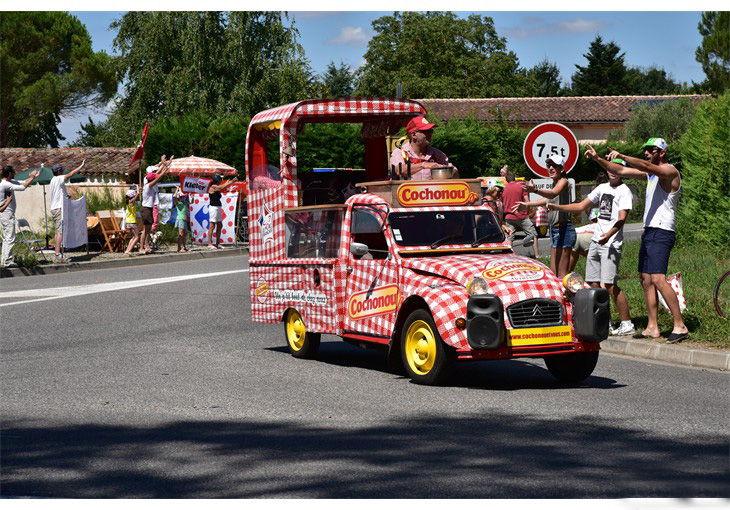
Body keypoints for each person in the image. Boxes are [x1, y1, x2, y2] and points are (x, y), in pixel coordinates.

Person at [587, 138, 689, 343]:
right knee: (645, 279)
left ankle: (680, 325)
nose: (646, 153)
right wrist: (598, 159)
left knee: (659, 278)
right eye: (644, 150)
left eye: (650, 150)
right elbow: (622, 171)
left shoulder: (670, 171)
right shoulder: (650, 174)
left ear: (661, 152)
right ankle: (653, 327)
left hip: (663, 231)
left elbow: (644, 166)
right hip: (650, 230)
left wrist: (623, 155)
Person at [547, 160, 636, 336]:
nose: (612, 171)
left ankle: (627, 323)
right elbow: (580, 206)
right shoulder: (602, 188)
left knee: (610, 284)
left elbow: (622, 217)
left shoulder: (624, 191)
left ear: (622, 171)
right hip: (596, 240)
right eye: (610, 167)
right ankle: (605, 321)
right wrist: (557, 207)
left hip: (610, 243)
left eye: (617, 168)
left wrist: (608, 235)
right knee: (594, 284)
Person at [513, 155, 573, 278]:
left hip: (564, 229)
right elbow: (547, 199)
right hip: (555, 229)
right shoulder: (554, 183)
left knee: (562, 275)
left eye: (554, 166)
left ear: (561, 169)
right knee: (553, 273)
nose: (550, 168)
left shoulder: (563, 181)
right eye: (548, 165)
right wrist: (527, 204)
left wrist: (535, 190)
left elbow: (552, 194)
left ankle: (566, 296)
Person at [389, 116, 458, 180]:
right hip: (405, 192)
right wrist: (424, 165)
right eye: (426, 131)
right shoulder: (400, 152)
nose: (430, 134)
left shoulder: (438, 154)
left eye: (431, 131)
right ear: (413, 135)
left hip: (432, 192)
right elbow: (399, 170)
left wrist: (450, 171)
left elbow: (455, 174)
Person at [569, 170, 609, 273]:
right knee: (598, 268)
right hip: (594, 231)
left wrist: (588, 211)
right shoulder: (609, 189)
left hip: (578, 233)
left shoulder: (593, 188)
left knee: (569, 270)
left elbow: (587, 205)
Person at [0, 165, 40, 268]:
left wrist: (33, 177)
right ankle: (7, 262)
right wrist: (31, 177)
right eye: (13, 172)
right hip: (7, 214)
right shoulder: (5, 185)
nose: (14, 173)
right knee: (10, 238)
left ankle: (4, 260)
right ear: (9, 174)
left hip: (6, 214)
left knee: (6, 238)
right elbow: (22, 188)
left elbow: (23, 182)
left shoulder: (9, 182)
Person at [49, 160, 85, 262]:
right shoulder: (59, 178)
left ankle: (57, 252)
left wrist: (66, 196)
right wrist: (80, 166)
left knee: (57, 231)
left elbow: (59, 194)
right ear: (59, 171)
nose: (63, 172)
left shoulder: (52, 180)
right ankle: (57, 253)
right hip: (59, 208)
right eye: (61, 170)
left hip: (55, 207)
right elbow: (70, 174)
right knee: (60, 231)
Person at [501, 170, 540, 258]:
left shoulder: (504, 189)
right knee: (533, 235)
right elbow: (527, 201)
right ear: (515, 178)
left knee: (510, 237)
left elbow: (502, 203)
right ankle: (537, 256)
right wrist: (528, 211)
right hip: (522, 216)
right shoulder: (521, 187)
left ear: (507, 180)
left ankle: (509, 257)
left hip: (509, 217)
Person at [141, 155, 173, 254]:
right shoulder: (148, 185)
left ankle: (146, 246)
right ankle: (141, 247)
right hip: (146, 208)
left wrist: (165, 164)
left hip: (149, 208)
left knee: (148, 229)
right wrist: (165, 167)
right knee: (146, 230)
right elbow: (158, 177)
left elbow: (157, 174)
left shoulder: (149, 183)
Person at [207, 173, 235, 249]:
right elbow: (221, 188)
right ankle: (209, 244)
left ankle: (217, 243)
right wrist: (229, 183)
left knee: (220, 225)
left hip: (218, 207)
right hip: (214, 208)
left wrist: (230, 182)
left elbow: (222, 187)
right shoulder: (213, 186)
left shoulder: (216, 186)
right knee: (212, 225)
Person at [123, 187, 141, 255]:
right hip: (132, 221)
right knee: (137, 237)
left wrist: (136, 189)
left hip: (128, 222)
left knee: (133, 237)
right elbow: (138, 194)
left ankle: (127, 249)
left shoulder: (127, 202)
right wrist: (138, 190)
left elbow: (135, 194)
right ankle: (129, 250)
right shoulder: (131, 201)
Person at [173, 187, 189, 252]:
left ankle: (184, 247)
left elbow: (191, 202)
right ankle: (179, 248)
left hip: (184, 219)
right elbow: (174, 196)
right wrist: (177, 189)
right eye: (181, 197)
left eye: (183, 197)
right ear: (179, 197)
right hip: (180, 219)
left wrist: (192, 196)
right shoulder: (177, 203)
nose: (183, 198)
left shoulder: (184, 203)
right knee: (181, 234)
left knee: (184, 234)